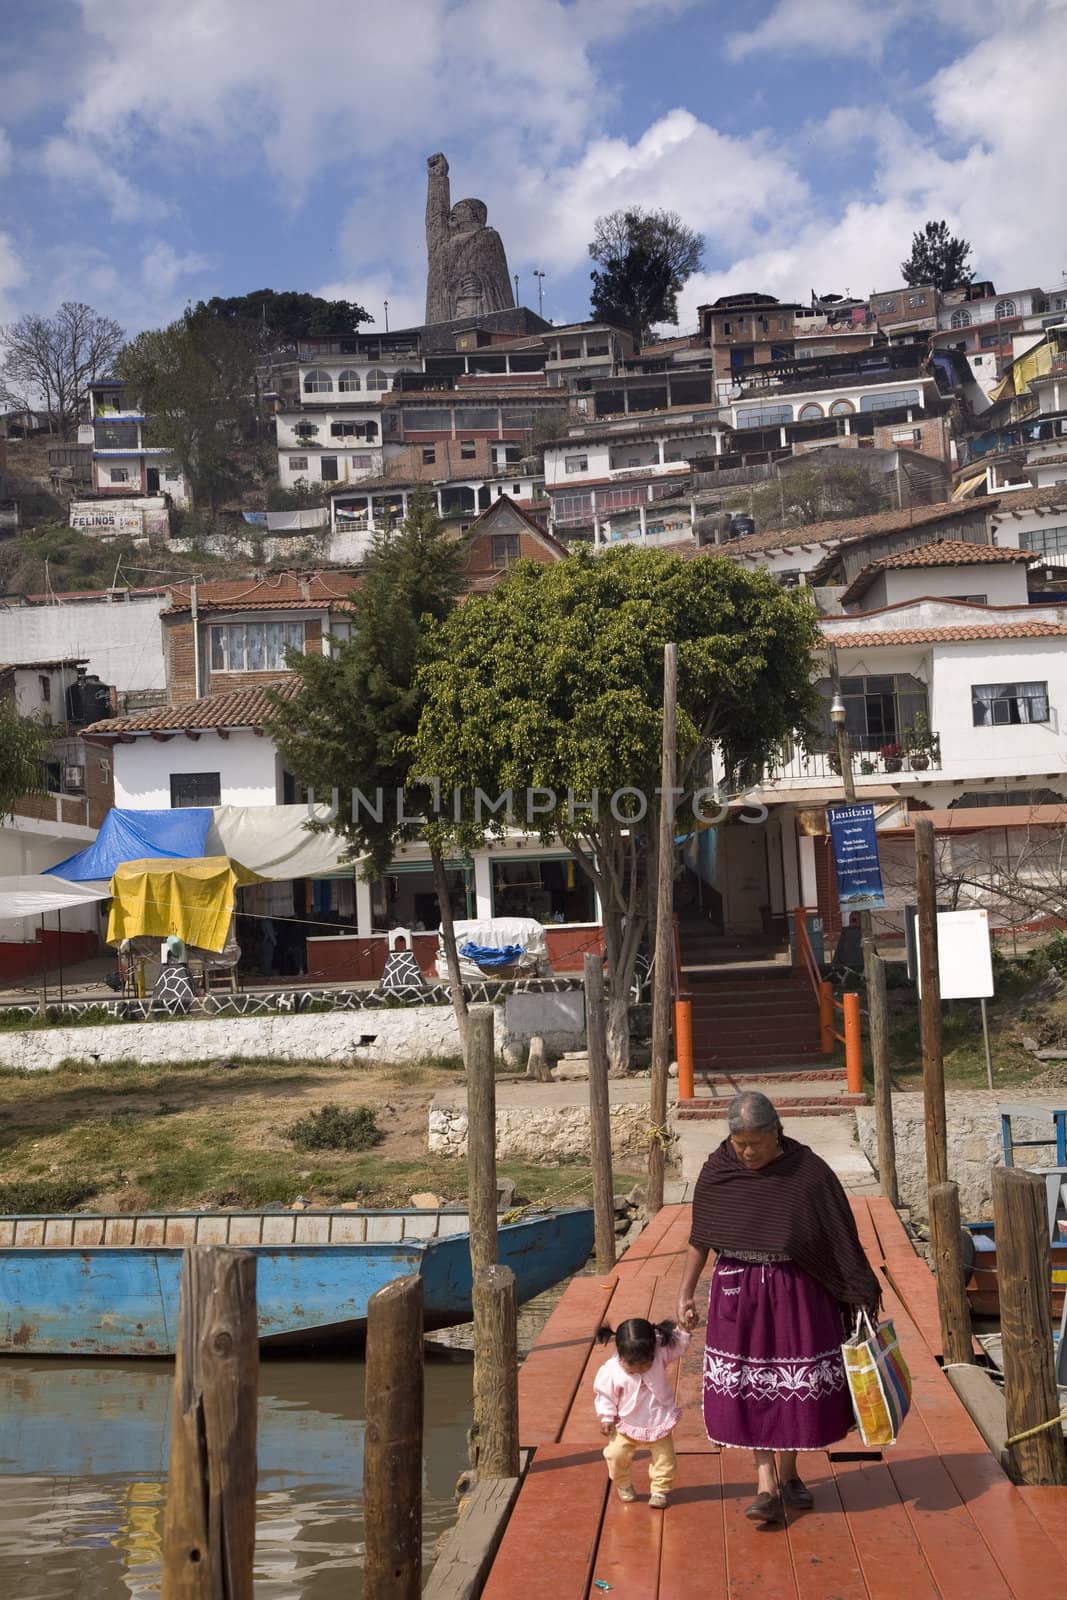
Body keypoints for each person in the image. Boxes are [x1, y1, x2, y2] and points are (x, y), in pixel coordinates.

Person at [675, 1090, 880, 1526]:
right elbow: (702, 1235)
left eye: (756, 1144)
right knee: (750, 1383)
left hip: (798, 1289)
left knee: (793, 1382)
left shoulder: (808, 1173)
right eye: (740, 1143)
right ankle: (765, 1483)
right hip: (738, 1291)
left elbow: (837, 1233)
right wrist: (685, 1292)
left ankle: (790, 1475)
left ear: (776, 1133)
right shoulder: (718, 1171)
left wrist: (855, 1287)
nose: (747, 1152)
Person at [593, 1317, 690, 1509]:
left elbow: (678, 1346)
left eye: (645, 1364)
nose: (638, 1369)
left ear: (654, 1352)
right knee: (616, 1454)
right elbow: (605, 1394)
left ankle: (660, 1490)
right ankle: (623, 1483)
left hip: (658, 1419)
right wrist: (606, 1417)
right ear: (620, 1355)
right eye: (632, 1366)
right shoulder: (612, 1370)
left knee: (665, 1458)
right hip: (626, 1422)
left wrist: (684, 1328)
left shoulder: (660, 1353)